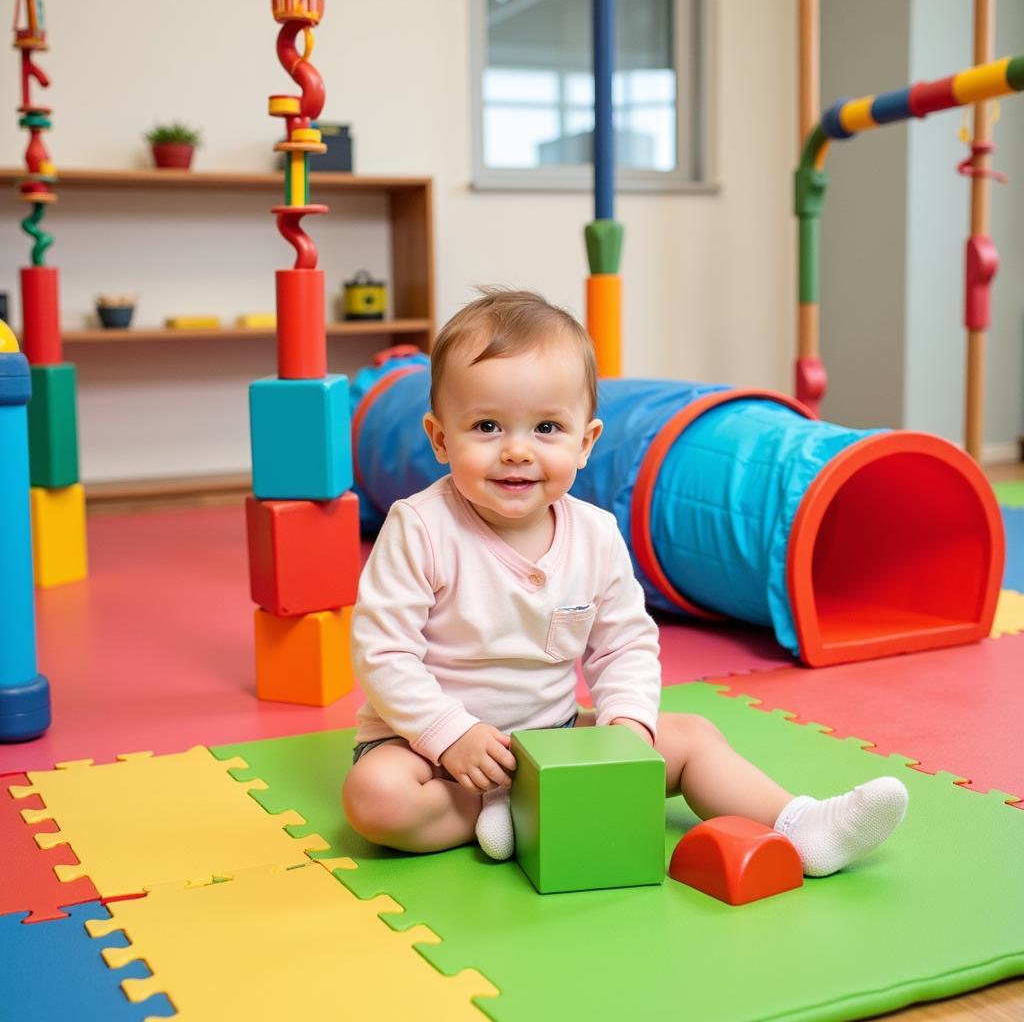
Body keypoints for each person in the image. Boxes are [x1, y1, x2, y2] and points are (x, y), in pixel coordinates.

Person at [342, 288, 908, 874]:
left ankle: (800, 824)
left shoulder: (597, 534)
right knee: (375, 798)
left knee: (691, 737)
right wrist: (448, 733)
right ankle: (508, 808)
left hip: (553, 740)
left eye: (546, 428)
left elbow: (624, 643)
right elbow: (383, 652)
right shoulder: (420, 528)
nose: (516, 451)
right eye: (486, 426)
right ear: (440, 439)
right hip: (426, 749)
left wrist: (626, 725)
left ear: (585, 443)